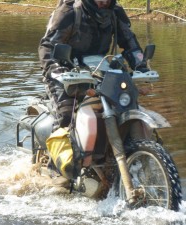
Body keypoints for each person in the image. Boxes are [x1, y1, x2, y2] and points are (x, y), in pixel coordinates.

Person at [38, 0, 148, 181]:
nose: (104, 2)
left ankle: (144, 155)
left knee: (128, 105)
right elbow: (47, 46)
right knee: (66, 115)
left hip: (100, 71)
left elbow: (130, 42)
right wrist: (56, 69)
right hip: (65, 74)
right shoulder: (69, 12)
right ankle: (57, 171)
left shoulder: (115, 12)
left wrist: (141, 65)